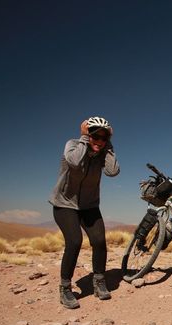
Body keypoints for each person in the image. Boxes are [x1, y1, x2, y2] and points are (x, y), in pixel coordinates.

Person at [50, 116, 120, 309]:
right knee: (74, 241)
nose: (99, 142)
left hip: (89, 206)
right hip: (65, 204)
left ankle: (99, 281)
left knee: (99, 241)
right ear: (88, 135)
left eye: (104, 138)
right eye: (96, 137)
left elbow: (113, 171)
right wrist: (83, 138)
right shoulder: (73, 145)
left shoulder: (103, 152)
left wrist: (109, 147)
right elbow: (73, 162)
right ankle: (65, 288)